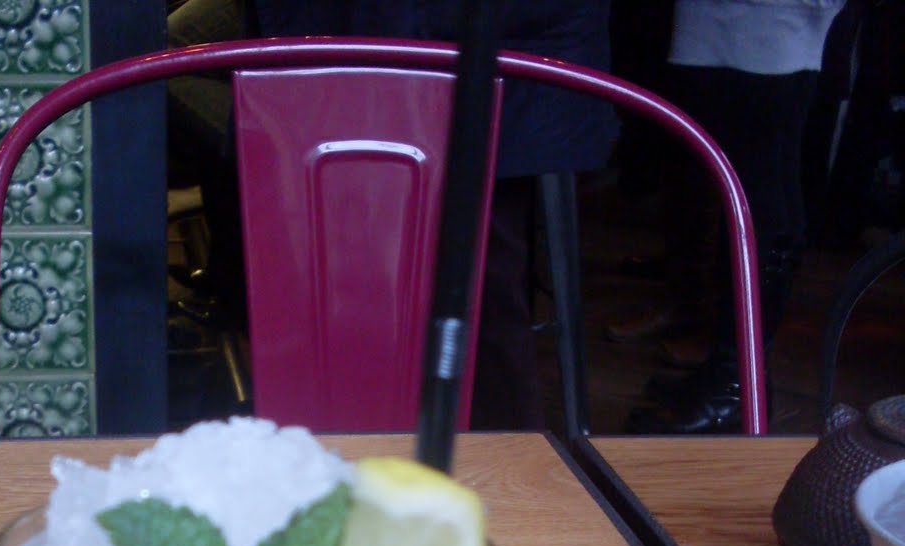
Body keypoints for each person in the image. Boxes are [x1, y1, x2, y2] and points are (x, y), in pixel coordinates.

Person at [166, 1, 616, 429]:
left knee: (472, 280)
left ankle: (491, 454)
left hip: (478, 46)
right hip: (349, 34)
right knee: (176, 54)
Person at [630, 0, 848, 434]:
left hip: (766, 16)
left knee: (758, 185)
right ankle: (734, 374)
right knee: (755, 181)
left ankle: (735, 384)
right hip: (745, 19)